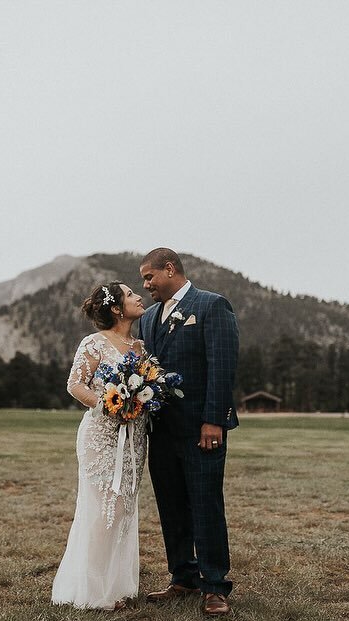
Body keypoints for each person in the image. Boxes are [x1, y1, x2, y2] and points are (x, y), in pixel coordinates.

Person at [137, 248, 240, 617]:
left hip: (202, 429)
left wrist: (214, 419)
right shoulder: (148, 319)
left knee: (205, 505)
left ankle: (214, 586)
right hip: (160, 431)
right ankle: (182, 577)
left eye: (149, 277)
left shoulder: (212, 306)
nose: (145, 285)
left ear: (170, 269)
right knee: (171, 506)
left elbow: (223, 365)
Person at [51, 281, 149, 610]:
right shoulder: (94, 344)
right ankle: (93, 591)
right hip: (101, 436)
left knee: (123, 509)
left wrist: (141, 403)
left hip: (134, 437)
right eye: (131, 294)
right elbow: (75, 385)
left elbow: (148, 388)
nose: (139, 296)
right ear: (118, 309)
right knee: (104, 508)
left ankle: (114, 586)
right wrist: (108, 405)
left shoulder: (140, 347)